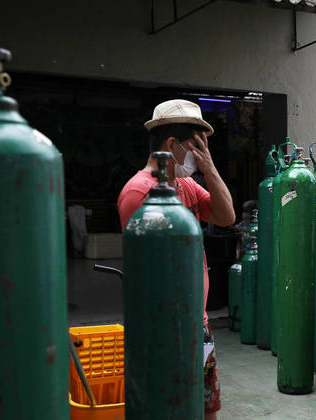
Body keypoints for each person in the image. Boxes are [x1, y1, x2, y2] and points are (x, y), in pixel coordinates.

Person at [117, 99, 234, 419]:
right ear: (171, 146)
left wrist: (209, 166)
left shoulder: (187, 185)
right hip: (164, 330)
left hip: (200, 325)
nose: (200, 156)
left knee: (206, 407)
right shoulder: (137, 193)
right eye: (196, 147)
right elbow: (147, 274)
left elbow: (226, 215)